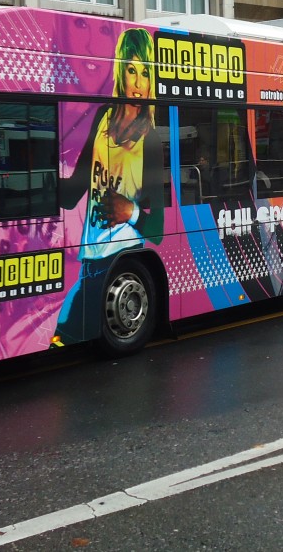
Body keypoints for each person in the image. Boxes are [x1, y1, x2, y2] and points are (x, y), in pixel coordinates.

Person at [57, 27, 164, 343]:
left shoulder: (151, 140)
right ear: (121, 71)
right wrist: (37, 184)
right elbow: (76, 188)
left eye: (146, 73)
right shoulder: (103, 118)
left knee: (66, 334)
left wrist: (129, 210)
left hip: (121, 253)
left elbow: (157, 228)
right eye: (132, 70)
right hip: (90, 260)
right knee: (63, 335)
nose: (139, 83)